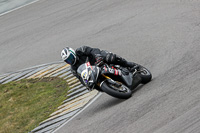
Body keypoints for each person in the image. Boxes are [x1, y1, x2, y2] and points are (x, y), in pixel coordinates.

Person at [61, 46, 139, 88]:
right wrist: (86, 83)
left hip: (99, 59)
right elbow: (81, 79)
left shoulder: (81, 50)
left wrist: (98, 57)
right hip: (94, 71)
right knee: (93, 85)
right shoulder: (73, 69)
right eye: (68, 61)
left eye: (70, 58)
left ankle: (129, 65)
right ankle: (112, 86)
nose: (70, 61)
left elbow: (93, 50)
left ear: (73, 53)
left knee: (110, 58)